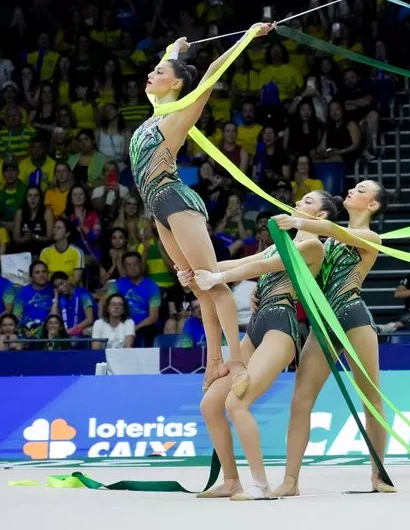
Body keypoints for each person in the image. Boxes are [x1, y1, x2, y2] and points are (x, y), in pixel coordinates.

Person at [134, 24, 271, 394]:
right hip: (157, 208)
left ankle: (237, 360)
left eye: (160, 72)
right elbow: (169, 65)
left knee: (212, 279)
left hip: (175, 199)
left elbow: (210, 74)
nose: (152, 73)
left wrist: (247, 37)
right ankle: (213, 362)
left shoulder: (178, 117)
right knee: (197, 287)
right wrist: (173, 50)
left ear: (177, 85)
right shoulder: (157, 112)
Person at [177, 190, 334, 500]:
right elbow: (243, 260)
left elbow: (264, 267)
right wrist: (197, 271)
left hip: (281, 325)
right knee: (210, 404)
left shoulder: (313, 246)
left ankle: (260, 484)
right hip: (256, 327)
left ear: (322, 216)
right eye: (300, 199)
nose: (298, 202)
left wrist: (217, 276)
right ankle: (231, 480)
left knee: (237, 403)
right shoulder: (280, 242)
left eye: (308, 201)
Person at [270, 180, 395, 496]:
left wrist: (301, 220)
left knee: (372, 398)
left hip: (353, 316)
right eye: (355, 186)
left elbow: (343, 233)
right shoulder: (323, 238)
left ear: (373, 206)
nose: (353, 189)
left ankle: (378, 474)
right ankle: (290, 481)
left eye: (362, 189)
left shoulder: (370, 237)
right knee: (300, 400)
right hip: (322, 324)